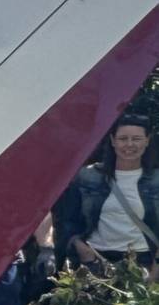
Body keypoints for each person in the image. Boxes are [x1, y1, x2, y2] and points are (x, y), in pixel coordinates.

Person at [56, 114, 158, 278]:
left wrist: (155, 270)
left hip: (144, 261)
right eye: (123, 138)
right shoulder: (87, 176)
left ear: (147, 141)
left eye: (136, 139)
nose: (129, 144)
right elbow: (67, 219)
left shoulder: (156, 180)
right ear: (112, 140)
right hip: (95, 259)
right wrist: (81, 249)